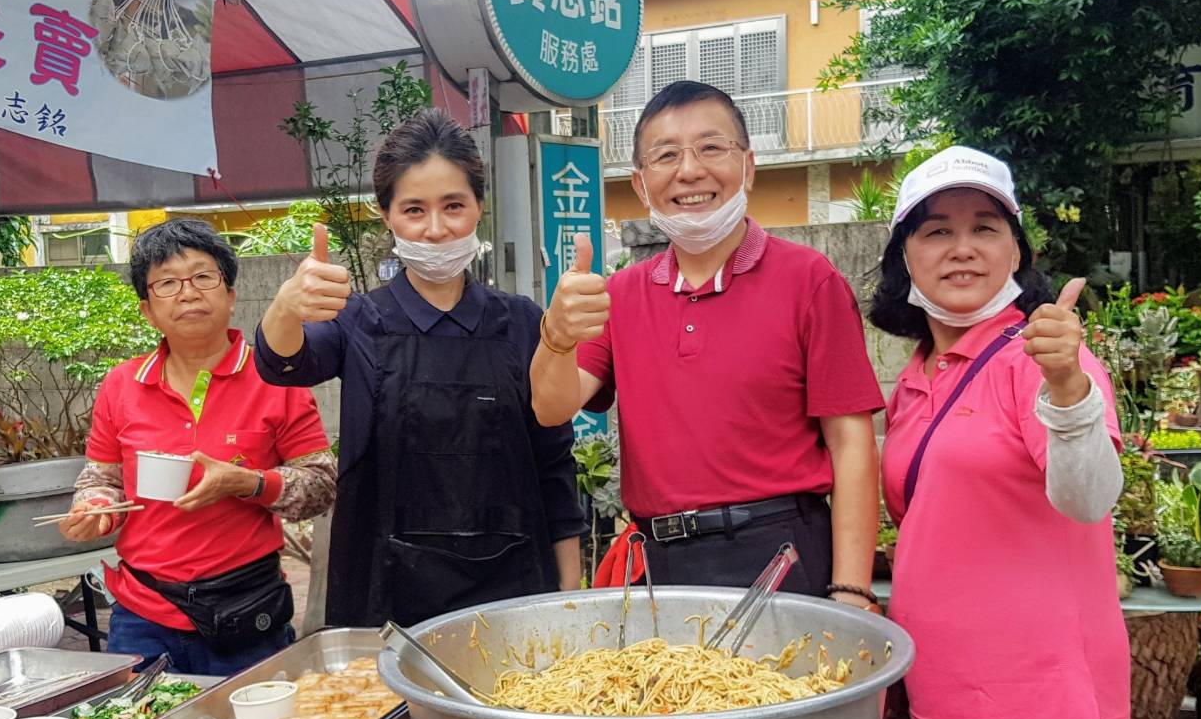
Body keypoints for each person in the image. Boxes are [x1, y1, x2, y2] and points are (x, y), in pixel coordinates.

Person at [530, 81, 883, 609]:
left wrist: (852, 589)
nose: (690, 170)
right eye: (666, 155)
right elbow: (551, 406)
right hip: (660, 560)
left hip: (781, 552)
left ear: (749, 166)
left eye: (711, 147)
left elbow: (851, 443)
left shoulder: (809, 279)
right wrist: (555, 338)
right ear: (641, 183)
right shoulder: (621, 293)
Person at [869, 146, 1127, 719]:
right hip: (944, 696)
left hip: (1042, 705)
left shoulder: (1039, 362)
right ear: (904, 258)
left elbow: (1087, 498)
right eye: (934, 231)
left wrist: (1067, 388)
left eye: (984, 228)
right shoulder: (915, 376)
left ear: (1016, 250)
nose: (961, 249)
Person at [255, 108, 586, 628]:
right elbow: (284, 363)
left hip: (516, 591)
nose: (435, 229)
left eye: (453, 205)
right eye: (414, 210)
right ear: (386, 215)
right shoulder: (357, 319)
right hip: (387, 597)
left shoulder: (522, 322)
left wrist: (571, 589)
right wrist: (286, 307)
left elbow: (553, 459)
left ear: (479, 206)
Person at [60, 219, 337, 674]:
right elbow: (102, 475)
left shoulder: (276, 379)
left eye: (203, 277)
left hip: (248, 610)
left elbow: (322, 487)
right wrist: (95, 505)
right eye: (167, 283)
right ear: (147, 310)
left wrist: (247, 483)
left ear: (230, 295)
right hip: (142, 612)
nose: (187, 293)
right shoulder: (122, 384)